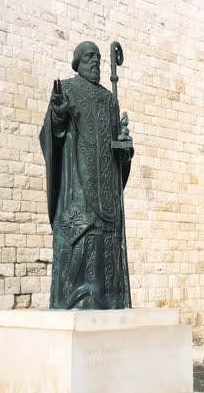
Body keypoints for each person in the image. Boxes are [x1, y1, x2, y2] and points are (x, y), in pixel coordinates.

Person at [39, 41, 134, 310]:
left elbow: (119, 146)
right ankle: (74, 300)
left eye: (99, 58)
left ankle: (110, 300)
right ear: (77, 62)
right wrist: (58, 115)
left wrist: (125, 146)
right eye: (90, 57)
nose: (96, 62)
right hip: (76, 185)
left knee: (105, 243)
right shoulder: (66, 90)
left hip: (105, 191)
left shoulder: (109, 99)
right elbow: (51, 134)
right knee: (79, 240)